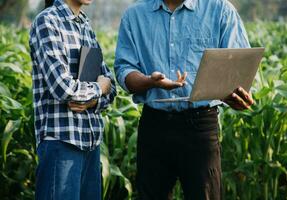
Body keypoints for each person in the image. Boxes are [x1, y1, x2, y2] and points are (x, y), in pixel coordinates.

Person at [114, 0, 254, 199]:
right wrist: (149, 81)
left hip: (201, 125)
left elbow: (239, 68)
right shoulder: (134, 15)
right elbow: (124, 70)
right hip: (154, 126)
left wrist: (236, 96)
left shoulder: (220, 10)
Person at [29, 0, 116, 199]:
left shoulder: (85, 26)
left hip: (91, 144)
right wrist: (99, 88)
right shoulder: (48, 22)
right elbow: (63, 87)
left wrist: (93, 99)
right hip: (61, 142)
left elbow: (111, 88)